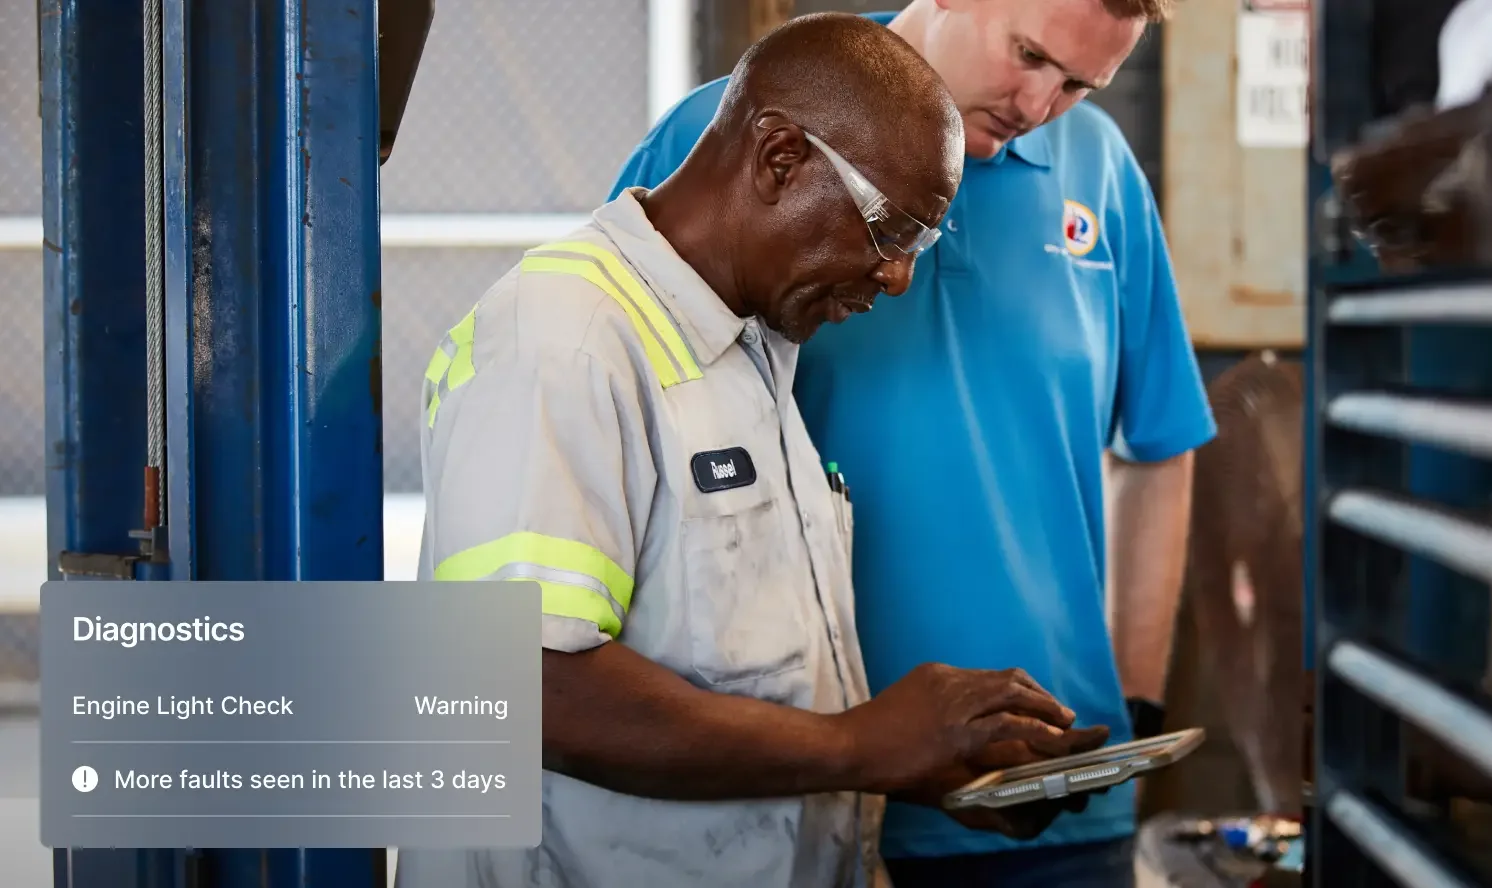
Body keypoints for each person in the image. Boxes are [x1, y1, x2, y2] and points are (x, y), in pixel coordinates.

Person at [395, 12, 1108, 888]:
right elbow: (517, 684)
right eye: (893, 233)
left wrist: (926, 766)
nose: (897, 278)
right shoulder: (564, 338)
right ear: (779, 159)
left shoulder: (753, 352)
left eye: (921, 246)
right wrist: (864, 742)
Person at [611, 1, 1216, 885]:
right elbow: (535, 669)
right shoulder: (728, 137)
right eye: (1029, 55)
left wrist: (1129, 698)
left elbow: (1159, 442)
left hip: (1050, 800)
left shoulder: (1102, 171)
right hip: (792, 785)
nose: (1041, 104)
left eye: (1081, 84)